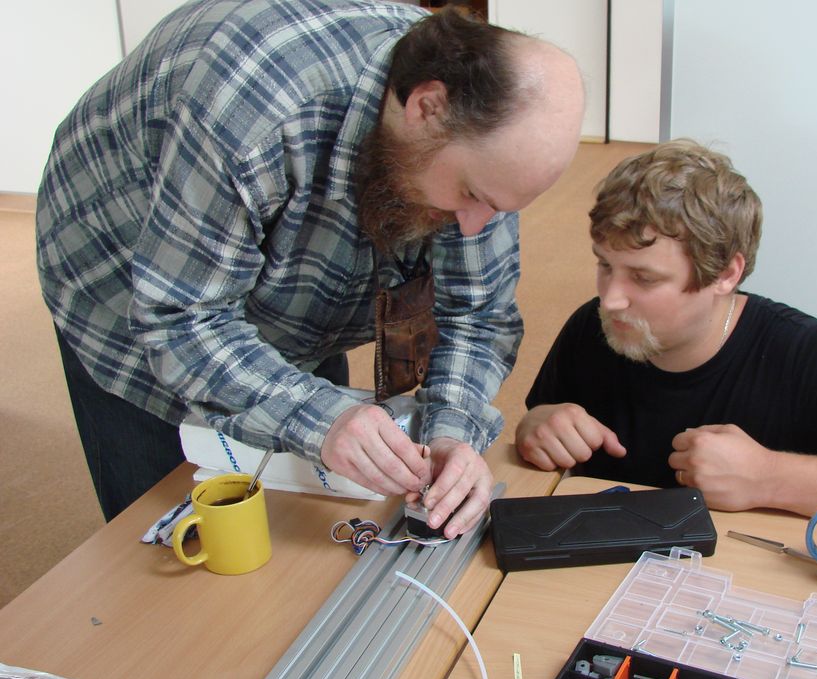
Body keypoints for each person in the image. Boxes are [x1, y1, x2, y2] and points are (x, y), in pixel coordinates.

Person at [36, 0, 585, 535]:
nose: (475, 229)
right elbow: (183, 321)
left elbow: (477, 314)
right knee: (172, 531)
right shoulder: (250, 112)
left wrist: (451, 429)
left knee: (308, 473)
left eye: (500, 208)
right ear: (427, 108)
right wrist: (321, 418)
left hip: (291, 287)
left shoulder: (484, 140)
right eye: (472, 194)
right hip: (126, 279)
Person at [516, 139, 817, 531]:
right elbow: (537, 436)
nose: (611, 298)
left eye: (644, 279)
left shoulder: (806, 356)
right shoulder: (593, 327)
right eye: (605, 266)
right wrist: (537, 427)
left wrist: (770, 478)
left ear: (725, 274)